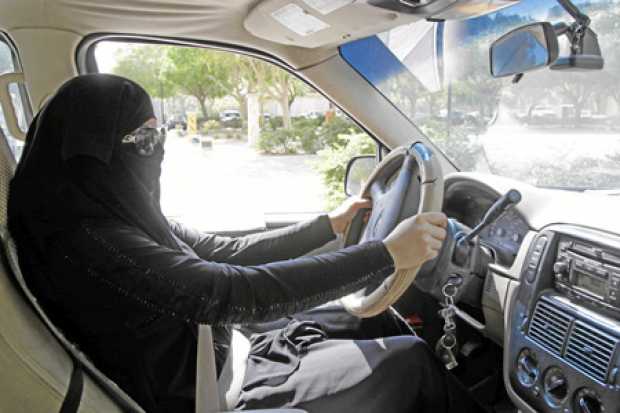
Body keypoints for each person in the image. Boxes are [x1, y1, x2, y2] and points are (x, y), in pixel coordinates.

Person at [8, 74, 479, 413]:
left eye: (160, 132)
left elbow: (220, 251)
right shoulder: (91, 243)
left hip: (209, 348)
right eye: (144, 137)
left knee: (359, 319)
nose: (158, 148)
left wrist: (327, 227)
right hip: (209, 388)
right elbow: (227, 293)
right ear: (96, 151)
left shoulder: (112, 213)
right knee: (413, 361)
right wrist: (386, 255)